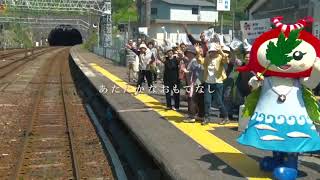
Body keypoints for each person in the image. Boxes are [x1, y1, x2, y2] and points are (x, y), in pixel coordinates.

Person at [202, 43, 229, 125]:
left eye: (214, 51)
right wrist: (198, 53)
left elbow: (226, 61)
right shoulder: (207, 58)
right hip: (208, 82)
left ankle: (225, 117)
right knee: (207, 101)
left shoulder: (220, 57)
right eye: (211, 51)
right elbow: (200, 61)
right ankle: (206, 118)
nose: (213, 53)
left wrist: (221, 51)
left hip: (218, 83)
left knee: (218, 101)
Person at [183, 45, 204, 123]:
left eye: (190, 53)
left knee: (192, 99)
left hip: (194, 82)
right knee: (198, 99)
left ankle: (192, 116)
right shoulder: (192, 60)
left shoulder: (194, 61)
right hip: (196, 82)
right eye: (187, 53)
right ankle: (200, 115)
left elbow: (197, 71)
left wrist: (186, 71)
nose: (188, 54)